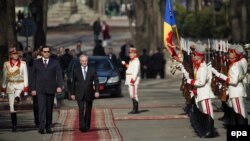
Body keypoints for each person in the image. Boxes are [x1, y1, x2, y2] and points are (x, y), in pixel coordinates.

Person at [180, 44, 215, 138]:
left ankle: (210, 131)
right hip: (199, 92)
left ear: (199, 56)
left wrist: (190, 81)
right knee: (203, 110)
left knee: (208, 111)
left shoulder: (202, 67)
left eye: (193, 55)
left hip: (204, 92)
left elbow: (201, 82)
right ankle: (206, 128)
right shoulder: (197, 66)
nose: (192, 56)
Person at [211, 44, 248, 125]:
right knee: (239, 113)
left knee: (240, 114)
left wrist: (219, 75)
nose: (229, 55)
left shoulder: (236, 65)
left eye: (232, 53)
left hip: (236, 92)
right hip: (236, 91)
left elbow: (233, 81)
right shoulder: (237, 63)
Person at [30, 46, 63, 134]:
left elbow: (59, 74)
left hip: (51, 88)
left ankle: (48, 127)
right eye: (44, 52)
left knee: (49, 109)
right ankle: (41, 127)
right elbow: (32, 76)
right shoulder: (36, 63)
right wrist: (32, 88)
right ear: (41, 52)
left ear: (50, 52)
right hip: (40, 89)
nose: (46, 53)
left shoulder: (55, 62)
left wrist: (59, 86)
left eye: (48, 51)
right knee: (41, 108)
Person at [1, 49, 29, 132]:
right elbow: (4, 77)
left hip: (20, 85)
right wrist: (3, 89)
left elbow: (25, 76)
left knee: (17, 95)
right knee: (12, 107)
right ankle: (14, 125)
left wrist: (26, 88)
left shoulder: (23, 64)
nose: (16, 55)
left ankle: (18, 97)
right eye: (14, 54)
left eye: (17, 54)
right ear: (10, 55)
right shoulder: (6, 64)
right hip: (10, 85)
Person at [70, 55, 100, 132]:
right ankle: (82, 126)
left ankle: (87, 125)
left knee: (88, 109)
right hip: (79, 93)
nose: (84, 62)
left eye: (85, 61)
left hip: (89, 92)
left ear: (87, 61)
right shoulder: (76, 70)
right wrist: (72, 93)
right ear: (80, 62)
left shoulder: (92, 69)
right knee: (81, 109)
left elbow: (96, 81)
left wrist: (97, 91)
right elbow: (73, 82)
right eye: (82, 61)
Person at [122, 47, 141, 114]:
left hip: (133, 80)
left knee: (134, 94)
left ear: (135, 54)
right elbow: (130, 68)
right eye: (130, 53)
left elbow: (135, 72)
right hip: (130, 80)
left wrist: (133, 80)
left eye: (131, 53)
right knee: (131, 94)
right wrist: (125, 64)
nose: (130, 54)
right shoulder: (132, 61)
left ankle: (135, 109)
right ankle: (134, 108)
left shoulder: (136, 61)